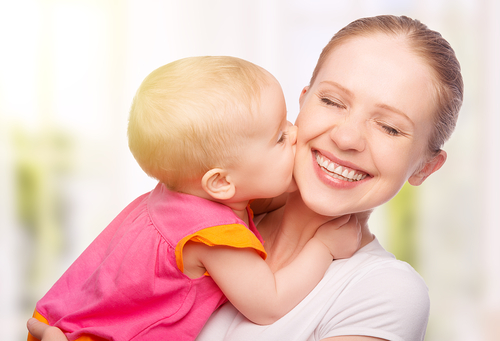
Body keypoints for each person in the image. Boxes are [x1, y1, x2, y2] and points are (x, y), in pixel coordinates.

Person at [27, 14, 464, 341]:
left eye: (389, 127)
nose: (347, 137)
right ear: (304, 101)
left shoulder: (384, 292)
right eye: (332, 101)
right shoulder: (210, 211)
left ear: (426, 166)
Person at [27, 56, 362, 341]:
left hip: (63, 321)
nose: (295, 132)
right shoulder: (213, 236)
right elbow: (268, 304)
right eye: (279, 137)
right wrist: (324, 247)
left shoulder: (173, 195)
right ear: (220, 182)